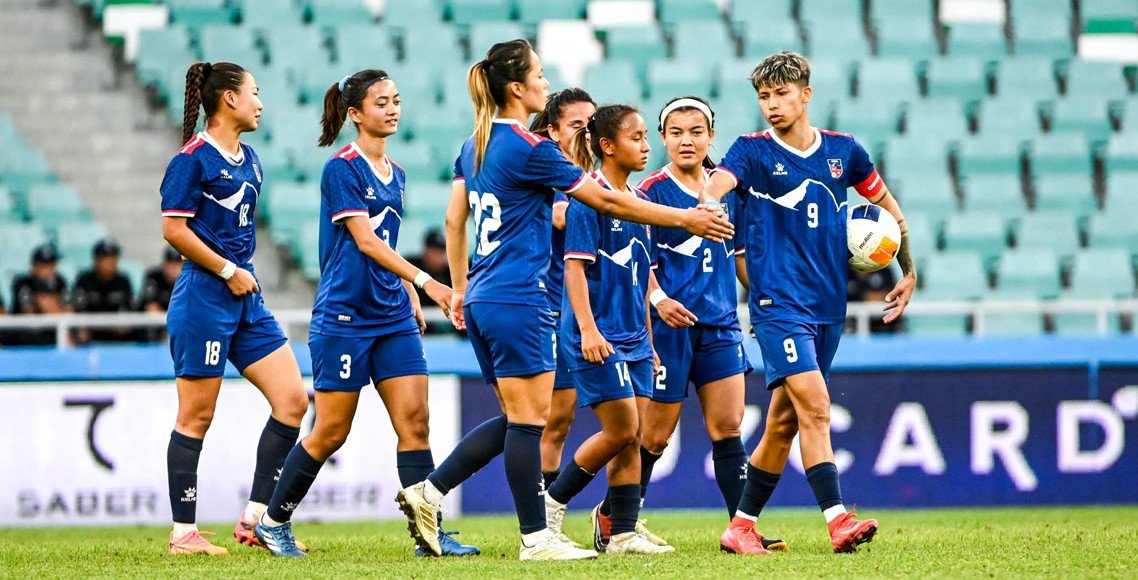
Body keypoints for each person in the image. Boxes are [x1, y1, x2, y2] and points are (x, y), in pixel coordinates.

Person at [394, 39, 733, 561]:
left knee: (519, 418)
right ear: (517, 87)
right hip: (520, 296)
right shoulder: (531, 148)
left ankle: (430, 491)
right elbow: (601, 200)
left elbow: (454, 219)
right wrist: (685, 218)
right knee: (530, 422)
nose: (545, 83)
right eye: (539, 75)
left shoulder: (475, 143)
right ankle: (536, 537)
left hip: (485, 294)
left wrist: (460, 287)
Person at [697, 51, 916, 555]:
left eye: (781, 94)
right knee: (816, 406)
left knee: (783, 422)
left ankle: (740, 526)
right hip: (777, 305)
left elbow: (887, 207)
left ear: (806, 94)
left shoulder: (844, 151)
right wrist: (709, 201)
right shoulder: (751, 151)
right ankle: (838, 521)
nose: (771, 104)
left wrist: (908, 269)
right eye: (764, 96)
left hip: (827, 308)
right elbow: (719, 182)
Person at [252, 69, 477, 559]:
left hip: (392, 315)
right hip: (345, 318)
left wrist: (406, 287)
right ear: (355, 113)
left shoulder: (398, 172)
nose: (392, 109)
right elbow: (365, 240)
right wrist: (427, 282)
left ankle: (430, 535)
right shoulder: (342, 168)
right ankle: (273, 521)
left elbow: (385, 241)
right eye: (381, 102)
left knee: (415, 422)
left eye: (396, 100)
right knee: (331, 431)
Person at [595, 95, 786, 552]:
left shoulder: (728, 192)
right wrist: (658, 299)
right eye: (676, 132)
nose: (687, 140)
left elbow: (740, 257)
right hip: (668, 329)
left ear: (711, 136)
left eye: (696, 132)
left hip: (720, 325)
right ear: (663, 138)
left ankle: (741, 530)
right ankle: (615, 518)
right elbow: (637, 260)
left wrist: (764, 302)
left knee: (728, 426)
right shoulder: (649, 192)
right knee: (654, 437)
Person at [159, 61, 309, 556]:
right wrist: (227, 270)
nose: (260, 103)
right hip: (205, 297)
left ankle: (256, 519)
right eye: (254, 93)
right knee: (196, 417)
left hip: (246, 296)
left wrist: (236, 274)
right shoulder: (192, 159)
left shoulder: (251, 159)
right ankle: (183, 534)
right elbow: (173, 229)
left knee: (293, 401)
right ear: (229, 98)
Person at [542, 103, 674, 556]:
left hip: (635, 338)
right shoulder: (588, 197)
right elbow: (574, 270)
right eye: (636, 137)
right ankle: (551, 505)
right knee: (621, 429)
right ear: (607, 146)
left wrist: (650, 343)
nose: (646, 145)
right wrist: (588, 330)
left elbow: (640, 279)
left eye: (645, 136)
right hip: (597, 336)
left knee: (633, 438)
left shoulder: (639, 203)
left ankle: (622, 534)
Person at [527, 88, 596, 501]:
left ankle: (547, 514)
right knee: (539, 419)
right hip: (543, 307)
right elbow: (559, 215)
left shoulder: (593, 175)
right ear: (553, 130)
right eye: (576, 126)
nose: (585, 134)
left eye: (591, 125)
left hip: (573, 310)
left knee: (561, 419)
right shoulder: (549, 170)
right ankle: (535, 514)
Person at [72, 238, 136, 344]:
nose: (110, 262)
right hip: (90, 338)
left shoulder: (123, 281)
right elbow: (77, 312)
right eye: (106, 258)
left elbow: (131, 311)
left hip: (117, 338)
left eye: (113, 257)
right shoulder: (84, 280)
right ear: (96, 260)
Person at [8, 244, 70, 346]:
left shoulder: (60, 281)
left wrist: (49, 306)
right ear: (34, 266)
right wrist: (52, 304)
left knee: (71, 334)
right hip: (24, 335)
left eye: (51, 264)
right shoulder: (22, 282)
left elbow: (69, 313)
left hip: (50, 333)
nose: (48, 269)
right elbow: (29, 313)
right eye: (44, 265)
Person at [408, 229, 455, 334]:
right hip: (417, 327)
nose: (438, 256)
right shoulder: (412, 268)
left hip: (447, 330)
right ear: (425, 251)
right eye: (434, 251)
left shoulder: (450, 274)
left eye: (441, 252)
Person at [846, 268, 901, 334]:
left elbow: (893, 292)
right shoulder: (848, 273)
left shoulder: (884, 271)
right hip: (855, 320)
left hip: (885, 320)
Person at [141, 245, 184, 313]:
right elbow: (151, 307)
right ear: (164, 264)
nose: (173, 268)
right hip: (156, 319)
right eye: (170, 264)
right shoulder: (154, 277)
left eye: (177, 264)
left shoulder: (188, 281)